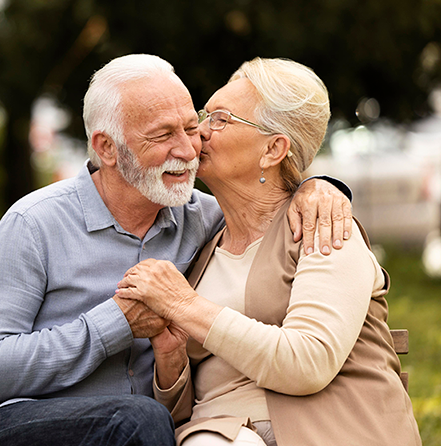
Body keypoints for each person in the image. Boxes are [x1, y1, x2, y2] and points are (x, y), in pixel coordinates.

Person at [0, 54, 352, 446]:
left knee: (142, 421)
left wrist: (318, 187)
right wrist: (116, 323)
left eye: (191, 128)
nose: (187, 149)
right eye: (163, 136)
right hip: (17, 425)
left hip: (145, 433)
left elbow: (265, 196)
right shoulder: (35, 223)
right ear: (107, 148)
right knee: (136, 418)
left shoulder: (205, 220)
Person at [115, 57, 422, 446]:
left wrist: (184, 306)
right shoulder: (202, 241)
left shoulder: (322, 230)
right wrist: (172, 360)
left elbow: (307, 363)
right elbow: (178, 414)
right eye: (204, 115)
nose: (198, 132)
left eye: (220, 119)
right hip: (215, 434)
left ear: (273, 149)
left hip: (329, 432)